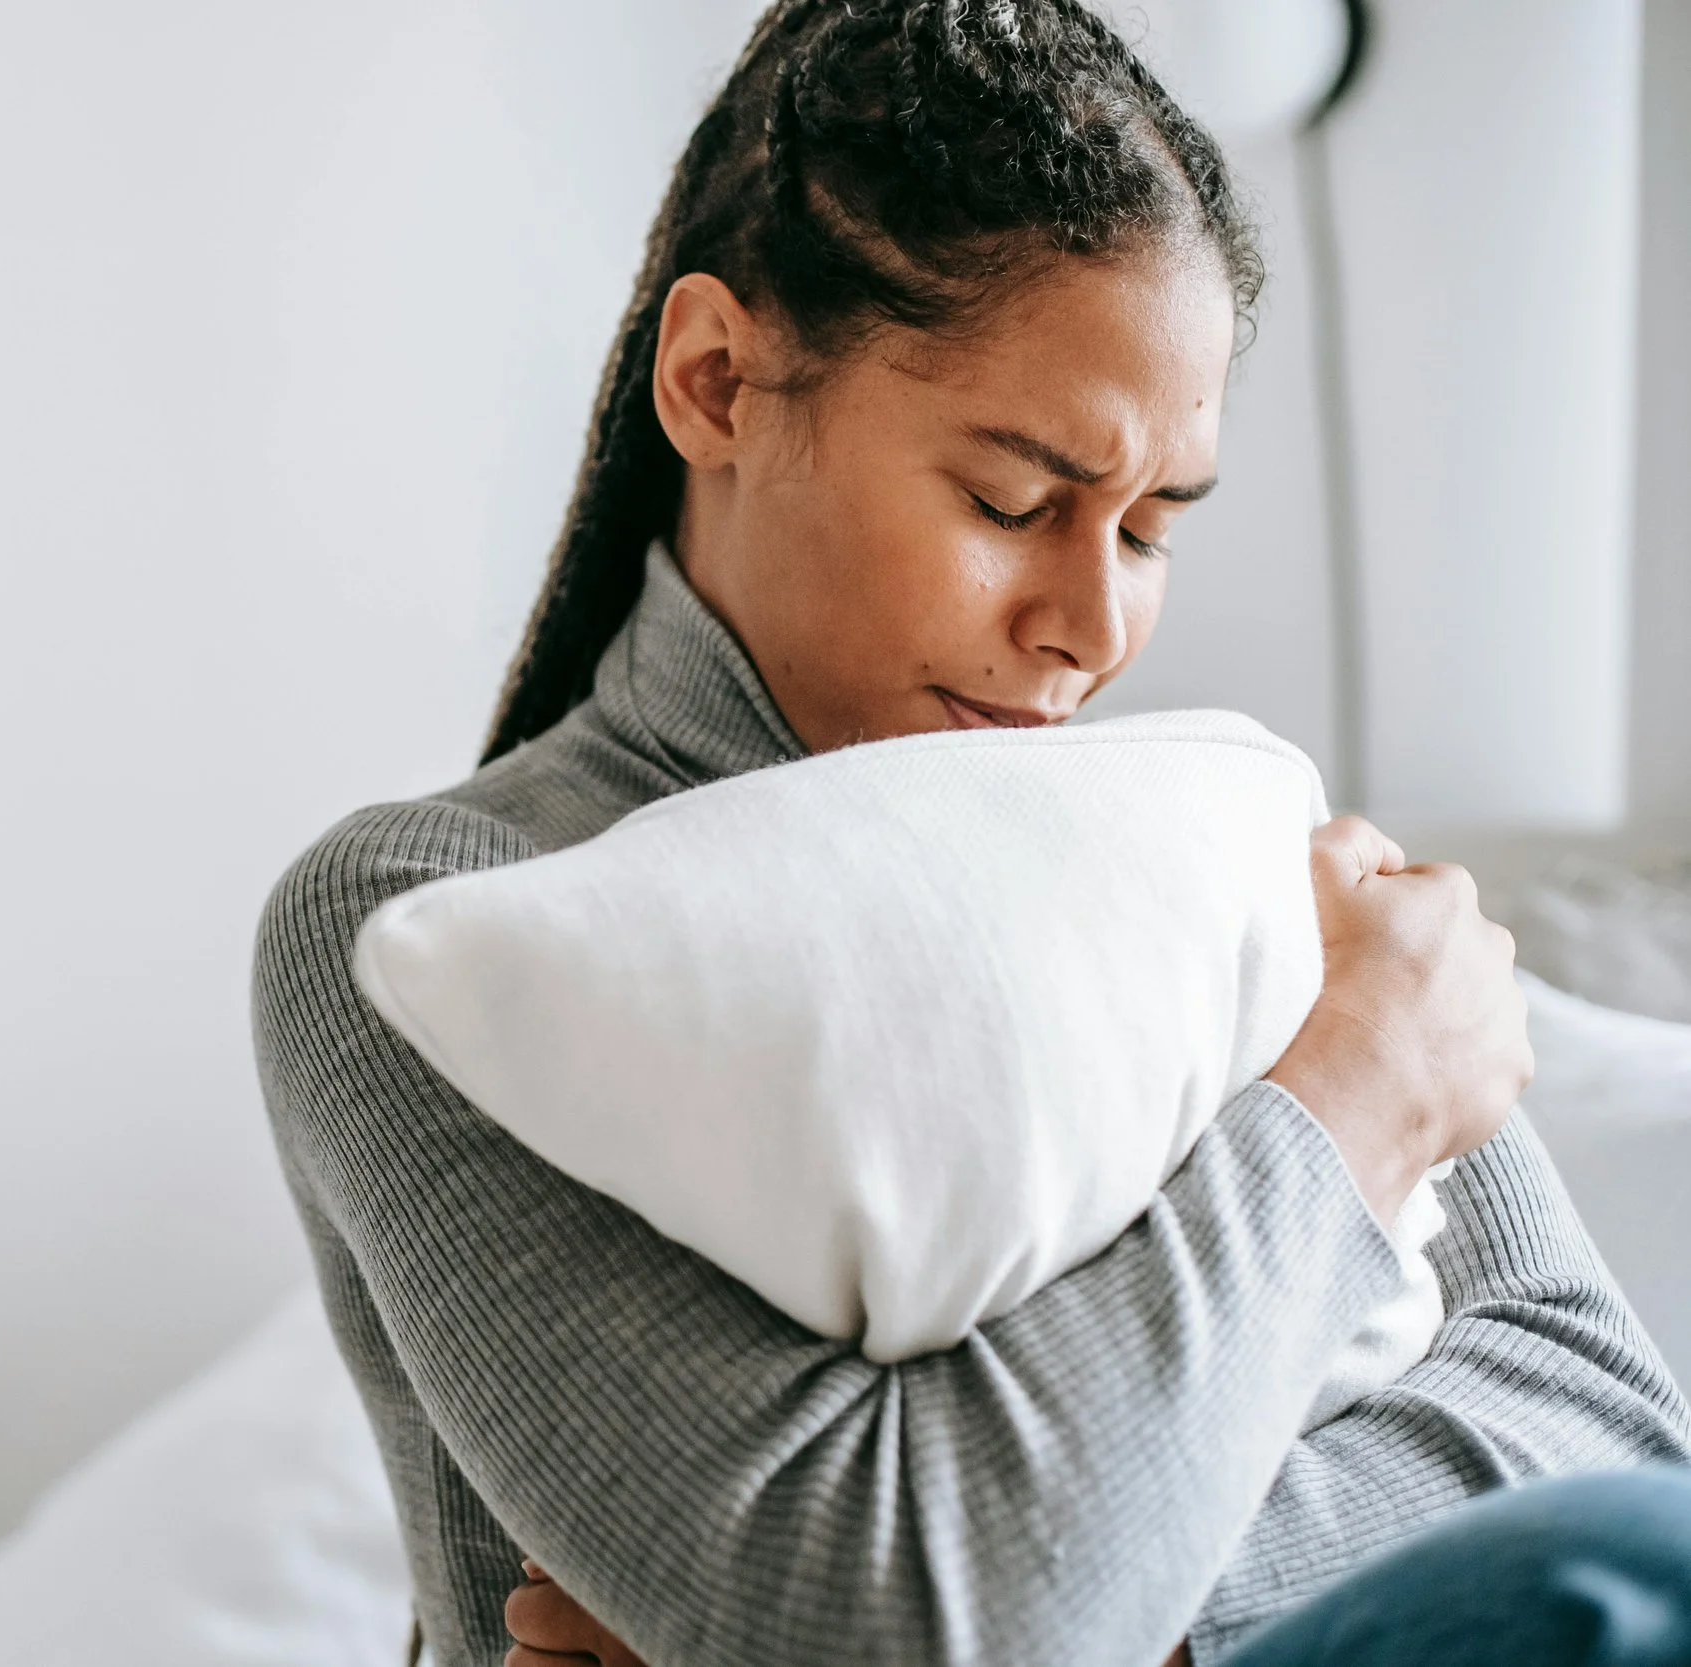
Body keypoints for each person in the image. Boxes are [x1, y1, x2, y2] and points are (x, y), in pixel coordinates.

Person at [248, 4, 1691, 1663]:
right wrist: (1352, 1100)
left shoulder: (1220, 842)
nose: (1095, 625)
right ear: (717, 382)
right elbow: (889, 1611)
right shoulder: (426, 921)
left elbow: (1609, 1411)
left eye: (1150, 529)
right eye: (1013, 502)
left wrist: (1130, 1605)